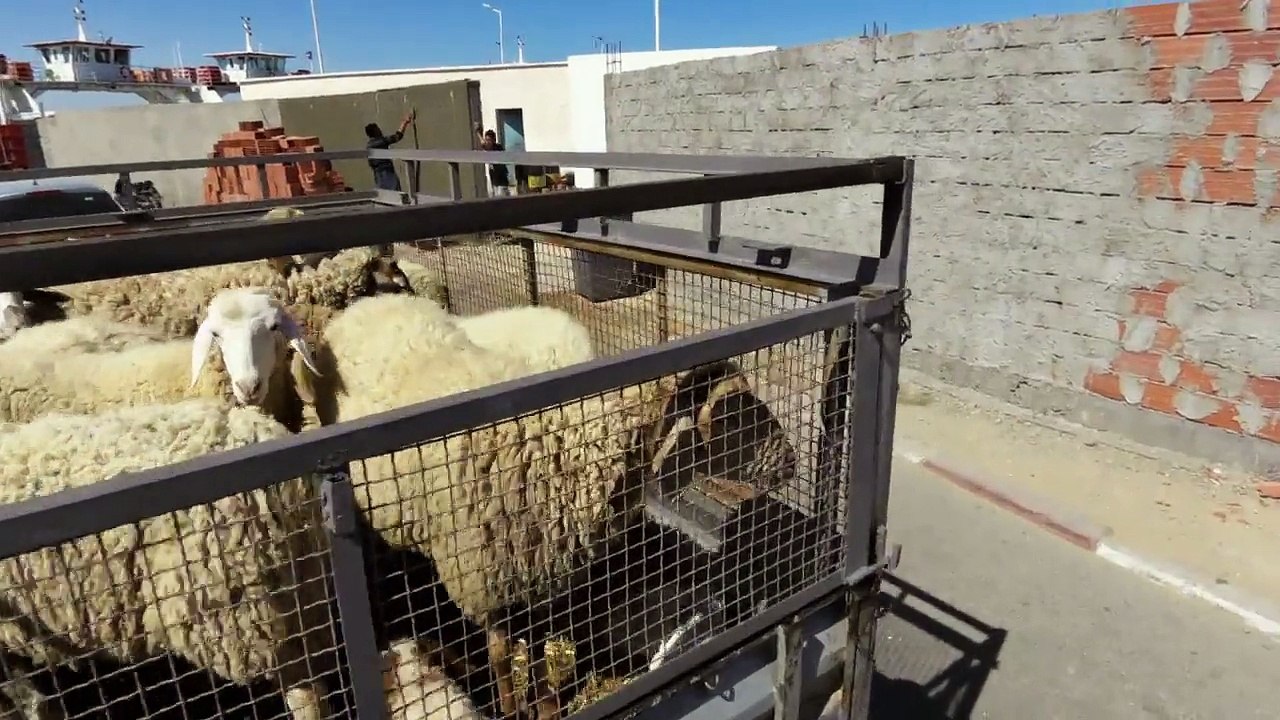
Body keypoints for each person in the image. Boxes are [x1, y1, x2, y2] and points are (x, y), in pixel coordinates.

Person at [366, 111, 415, 192]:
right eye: (378, 129)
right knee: (395, 194)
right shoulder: (379, 142)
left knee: (385, 195)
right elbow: (397, 137)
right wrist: (405, 122)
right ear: (375, 132)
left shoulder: (369, 145)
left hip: (378, 175)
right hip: (386, 173)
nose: (380, 130)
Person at [475, 124, 512, 196]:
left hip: (501, 181)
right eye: (486, 140)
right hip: (494, 180)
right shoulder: (489, 149)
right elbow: (484, 145)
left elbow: (485, 145)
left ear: (493, 140)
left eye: (489, 140)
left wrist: (478, 133)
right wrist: (478, 133)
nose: (487, 142)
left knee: (501, 198)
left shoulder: (498, 147)